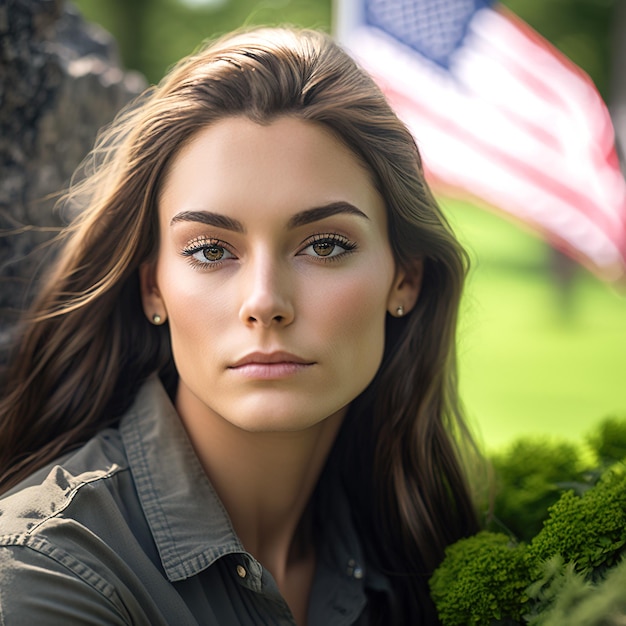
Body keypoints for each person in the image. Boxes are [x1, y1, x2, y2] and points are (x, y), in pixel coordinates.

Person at [0, 27, 479, 625]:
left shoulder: (420, 551)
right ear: (153, 286)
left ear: (404, 279)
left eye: (324, 244)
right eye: (208, 250)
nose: (264, 301)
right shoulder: (45, 576)